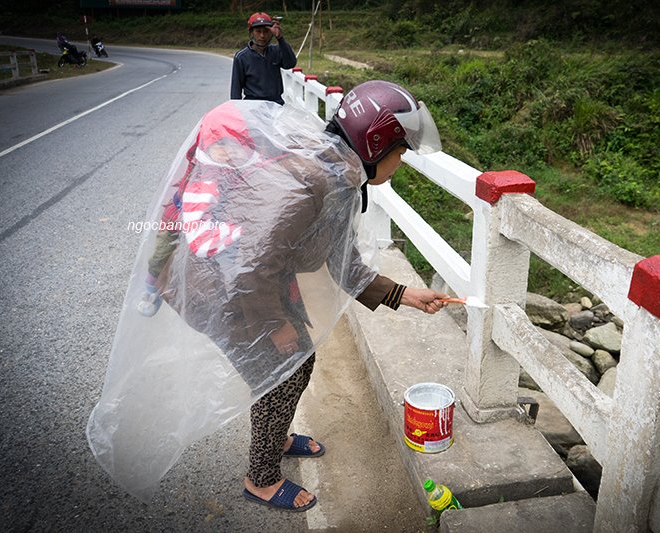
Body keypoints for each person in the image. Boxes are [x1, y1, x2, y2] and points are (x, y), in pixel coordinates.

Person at [86, 81, 446, 512]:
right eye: (401, 152)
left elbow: (343, 263)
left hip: (251, 280)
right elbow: (250, 268)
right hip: (221, 284)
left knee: (294, 361)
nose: (402, 161)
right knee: (284, 368)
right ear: (376, 143)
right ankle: (261, 479)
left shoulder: (336, 169)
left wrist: (406, 295)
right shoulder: (320, 180)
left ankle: (279, 435)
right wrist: (276, 328)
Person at [231, 12, 297, 105]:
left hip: (276, 105)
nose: (262, 36)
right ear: (251, 33)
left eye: (266, 31)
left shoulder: (276, 51)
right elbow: (236, 89)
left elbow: (290, 64)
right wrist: (237, 111)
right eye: (258, 31)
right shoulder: (241, 57)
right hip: (252, 107)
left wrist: (280, 38)